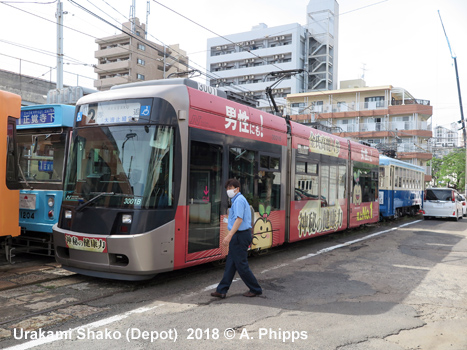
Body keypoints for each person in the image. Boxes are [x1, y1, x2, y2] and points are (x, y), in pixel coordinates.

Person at [211, 178, 263, 299]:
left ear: (237, 189)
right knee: (231, 264)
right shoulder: (237, 200)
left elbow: (239, 220)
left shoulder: (239, 200)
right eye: (227, 189)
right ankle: (222, 290)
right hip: (239, 235)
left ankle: (256, 289)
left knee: (241, 265)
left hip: (240, 236)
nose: (228, 191)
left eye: (230, 188)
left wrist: (229, 236)